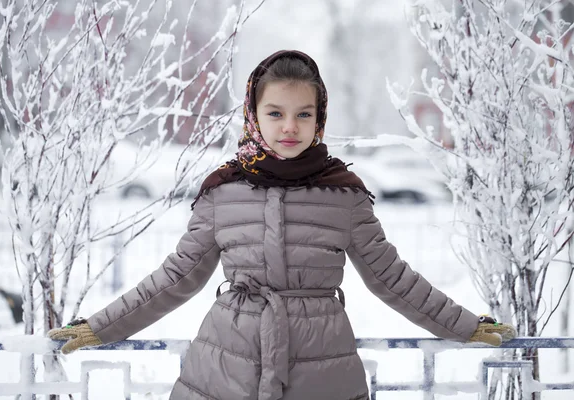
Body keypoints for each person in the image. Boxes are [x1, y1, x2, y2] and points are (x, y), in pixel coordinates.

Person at [48, 50, 516, 400]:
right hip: (226, 370)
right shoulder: (221, 191)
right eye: (275, 113)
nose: (289, 126)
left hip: (321, 370)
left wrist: (466, 326)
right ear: (254, 113)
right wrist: (99, 328)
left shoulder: (345, 194)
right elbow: (176, 277)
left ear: (320, 119)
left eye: (303, 114)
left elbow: (391, 278)